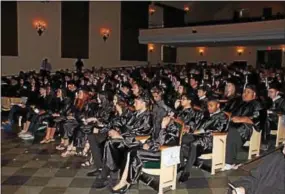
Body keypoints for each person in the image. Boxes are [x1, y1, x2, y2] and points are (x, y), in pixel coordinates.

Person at [223, 85, 264, 170]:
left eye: (248, 92)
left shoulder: (257, 104)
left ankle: (229, 162)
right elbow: (233, 114)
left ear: (254, 94)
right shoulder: (241, 103)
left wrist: (243, 119)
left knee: (232, 131)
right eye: (244, 92)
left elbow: (258, 118)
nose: (244, 94)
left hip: (246, 126)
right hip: (235, 123)